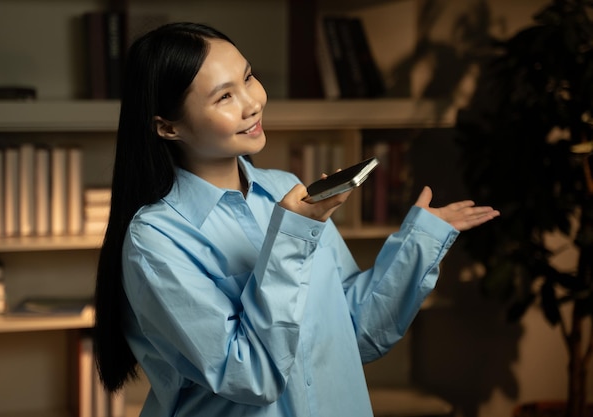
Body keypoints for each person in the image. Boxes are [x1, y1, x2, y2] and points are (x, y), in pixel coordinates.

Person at [93, 22, 500, 417]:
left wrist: (420, 242)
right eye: (224, 97)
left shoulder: (286, 189)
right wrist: (290, 235)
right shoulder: (156, 238)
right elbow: (250, 376)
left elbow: (353, 333)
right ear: (168, 127)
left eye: (248, 78)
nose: (253, 103)